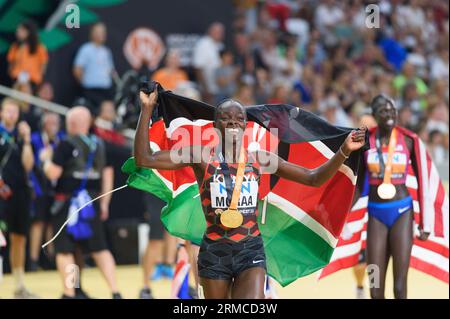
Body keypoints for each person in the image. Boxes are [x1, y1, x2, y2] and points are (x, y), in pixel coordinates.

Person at [134, 85, 367, 299]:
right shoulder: (200, 155)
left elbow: (313, 178)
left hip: (250, 251)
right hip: (214, 253)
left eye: (239, 119)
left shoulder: (259, 158)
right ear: (216, 125)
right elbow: (144, 159)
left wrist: (344, 150)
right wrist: (146, 110)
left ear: (246, 125)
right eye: (226, 119)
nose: (233, 123)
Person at [43, 106, 121, 299]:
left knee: (65, 249)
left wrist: (45, 160)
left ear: (71, 123)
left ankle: (70, 292)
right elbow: (108, 176)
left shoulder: (65, 145)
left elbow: (53, 173)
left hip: (67, 203)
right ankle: (115, 291)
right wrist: (104, 203)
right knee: (99, 247)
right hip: (91, 202)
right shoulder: (100, 144)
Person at [362, 94, 429, 299]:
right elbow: (355, 183)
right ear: (374, 115)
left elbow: (424, 182)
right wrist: (343, 217)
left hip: (402, 213)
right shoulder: (365, 140)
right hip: (375, 215)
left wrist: (425, 223)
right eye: (383, 110)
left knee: (399, 287)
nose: (389, 114)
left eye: (392, 110)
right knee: (374, 287)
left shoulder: (409, 140)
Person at [0, 98, 37, 298]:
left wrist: (27, 139)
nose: (12, 115)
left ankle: (19, 285)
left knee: (19, 238)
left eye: (15, 112)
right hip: (1, 191)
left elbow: (28, 165)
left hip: (20, 192)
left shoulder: (21, 136)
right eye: (8, 111)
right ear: (1, 113)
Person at [29, 112, 64, 271]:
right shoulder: (35, 139)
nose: (53, 126)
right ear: (43, 124)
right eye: (50, 122)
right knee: (39, 222)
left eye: (55, 122)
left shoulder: (62, 139)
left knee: (53, 223)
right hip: (40, 186)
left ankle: (51, 258)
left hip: (57, 186)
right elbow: (31, 165)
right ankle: (33, 260)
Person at [73, 22, 116, 113]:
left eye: (104, 32)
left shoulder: (106, 51)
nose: (103, 35)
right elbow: (77, 69)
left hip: (105, 92)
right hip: (91, 91)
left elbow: (111, 71)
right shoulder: (86, 49)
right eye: (99, 32)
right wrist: (85, 84)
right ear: (93, 33)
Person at [7, 21, 48, 89]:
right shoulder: (15, 46)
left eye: (21, 30)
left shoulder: (40, 48)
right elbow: (11, 64)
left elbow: (43, 65)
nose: (18, 32)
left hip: (32, 80)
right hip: (16, 78)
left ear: (28, 32)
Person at [192, 22, 225, 104]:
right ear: (210, 31)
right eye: (216, 31)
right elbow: (198, 68)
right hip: (208, 92)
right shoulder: (203, 44)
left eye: (221, 32)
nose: (219, 34)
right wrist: (205, 90)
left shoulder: (220, 46)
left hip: (219, 90)